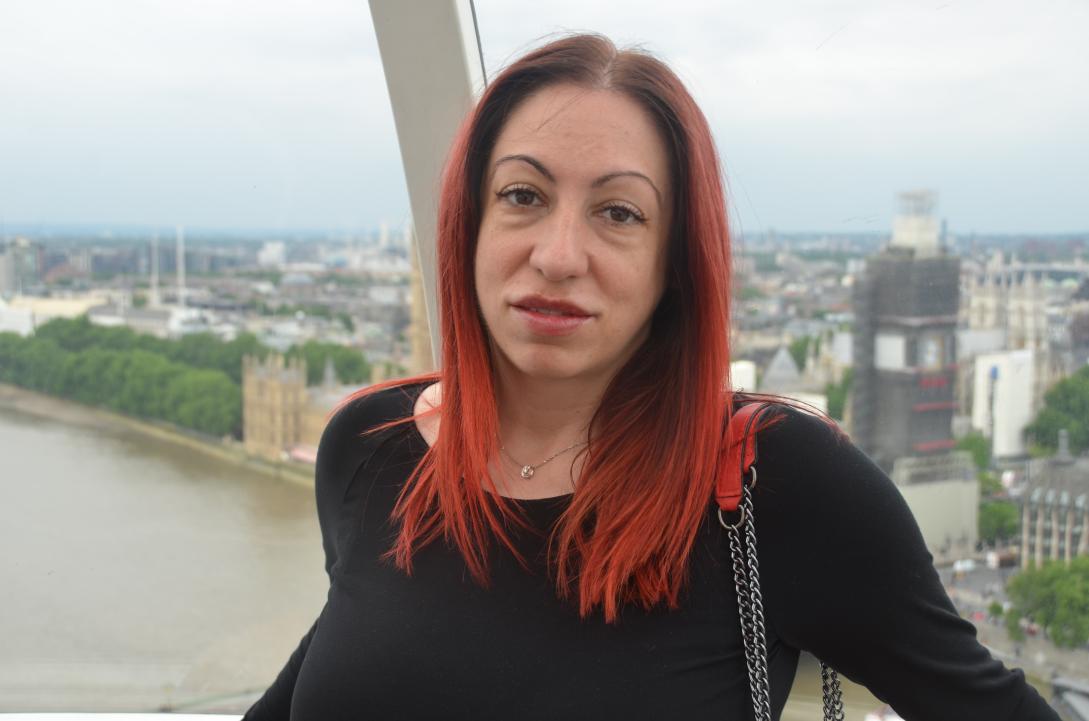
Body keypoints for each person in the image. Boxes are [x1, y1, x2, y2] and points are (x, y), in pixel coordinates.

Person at [242, 34, 1058, 720]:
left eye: (618, 212)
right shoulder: (369, 444)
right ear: (469, 225)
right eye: (522, 194)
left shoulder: (780, 483)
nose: (558, 255)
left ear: (674, 263)